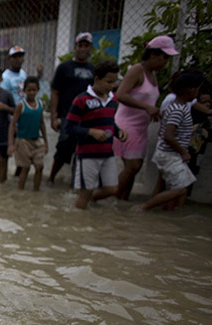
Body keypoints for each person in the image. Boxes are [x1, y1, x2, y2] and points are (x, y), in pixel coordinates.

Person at [114, 35, 178, 200]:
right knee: (132, 166)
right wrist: (146, 107)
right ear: (153, 54)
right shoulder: (137, 70)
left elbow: (148, 101)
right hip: (126, 125)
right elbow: (120, 94)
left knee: (136, 167)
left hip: (141, 127)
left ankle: (122, 202)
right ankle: (107, 197)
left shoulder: (153, 74)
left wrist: (155, 111)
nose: (166, 62)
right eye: (164, 57)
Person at [64, 61, 127, 209]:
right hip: (87, 154)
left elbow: (109, 122)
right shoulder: (81, 100)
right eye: (109, 81)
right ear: (97, 79)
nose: (112, 85)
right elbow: (69, 127)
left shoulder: (113, 100)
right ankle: (79, 223)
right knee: (85, 192)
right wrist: (91, 132)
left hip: (107, 153)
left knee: (112, 188)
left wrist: (119, 132)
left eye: (114, 81)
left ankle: (90, 204)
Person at [137, 72, 202, 211]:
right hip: (169, 155)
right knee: (179, 189)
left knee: (179, 188)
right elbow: (168, 135)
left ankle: (167, 213)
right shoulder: (178, 109)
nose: (198, 92)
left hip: (170, 154)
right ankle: (144, 207)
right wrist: (183, 152)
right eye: (197, 89)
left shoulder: (178, 107)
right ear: (191, 90)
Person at [48, 32, 95, 184]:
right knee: (63, 148)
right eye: (79, 45)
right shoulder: (64, 68)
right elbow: (55, 92)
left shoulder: (94, 70)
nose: (82, 49)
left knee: (81, 151)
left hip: (87, 118)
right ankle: (51, 178)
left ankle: (75, 184)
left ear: (90, 48)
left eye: (85, 46)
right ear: (75, 47)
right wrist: (54, 116)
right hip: (67, 116)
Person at [7, 77, 48, 191]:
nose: (31, 92)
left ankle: (36, 191)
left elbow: (42, 123)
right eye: (29, 90)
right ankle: (21, 192)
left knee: (39, 167)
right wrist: (11, 144)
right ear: (24, 91)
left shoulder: (40, 104)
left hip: (36, 140)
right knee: (25, 168)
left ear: (38, 90)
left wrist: (45, 141)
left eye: (34, 90)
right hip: (23, 141)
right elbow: (12, 124)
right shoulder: (21, 105)